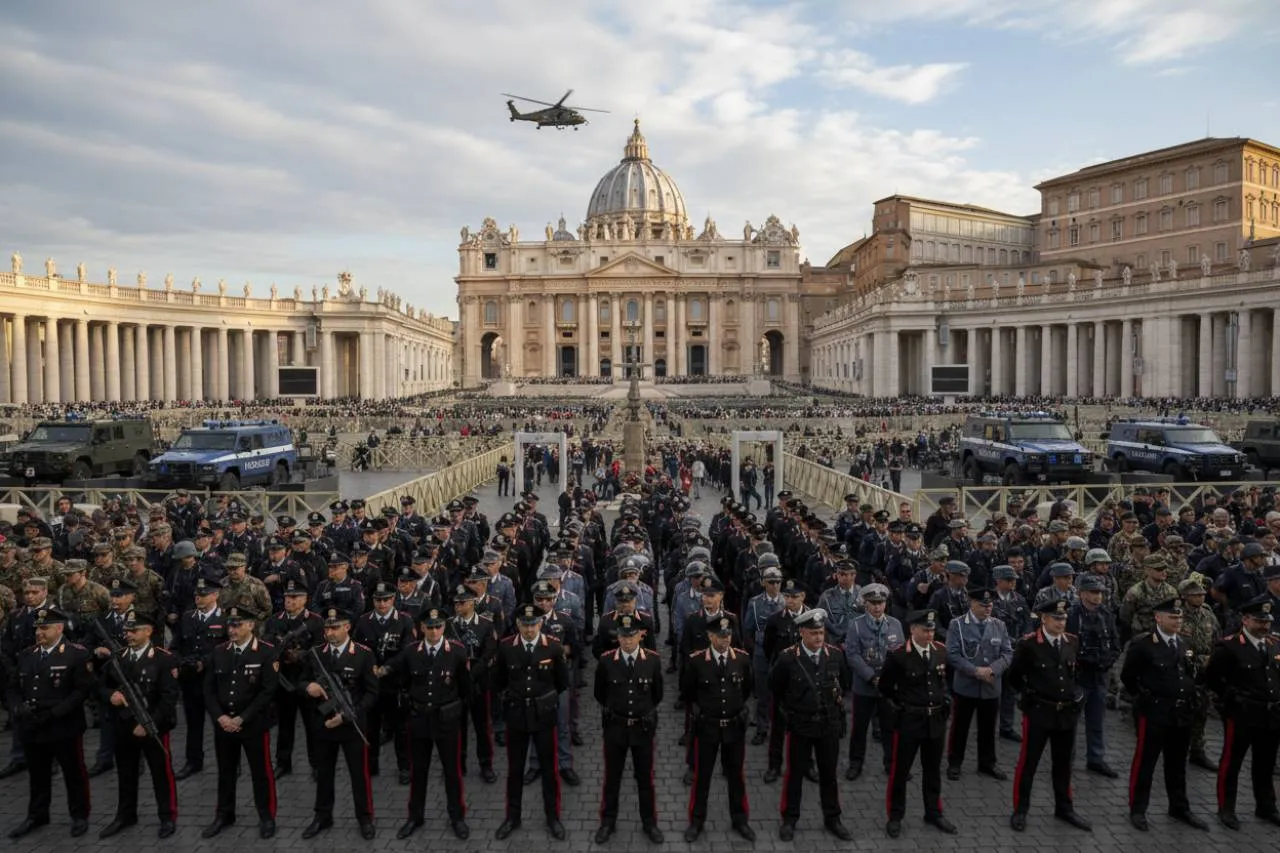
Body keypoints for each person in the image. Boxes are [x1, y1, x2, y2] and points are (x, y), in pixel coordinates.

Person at [378, 606, 471, 840]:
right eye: (429, 627)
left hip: (446, 721)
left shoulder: (457, 651)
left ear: (444, 627)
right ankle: (415, 816)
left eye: (438, 626)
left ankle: (457, 817)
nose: (434, 631)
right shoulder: (412, 651)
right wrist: (380, 669)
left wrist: (456, 713)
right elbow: (395, 667)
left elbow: (466, 688)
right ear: (421, 628)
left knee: (451, 772)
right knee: (418, 771)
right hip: (419, 719)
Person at [1120, 597, 1210, 832]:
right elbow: (1128, 677)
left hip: (1181, 713)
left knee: (1177, 763)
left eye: (1179, 617)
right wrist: (1144, 699)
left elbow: (1189, 673)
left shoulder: (1184, 642)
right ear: (1158, 618)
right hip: (1154, 712)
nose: (1178, 620)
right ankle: (1138, 809)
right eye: (1172, 617)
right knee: (1146, 762)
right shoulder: (1143, 644)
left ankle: (1179, 807)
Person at [4, 607, 94, 840]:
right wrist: (17, 707)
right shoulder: (27, 654)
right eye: (37, 628)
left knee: (73, 772)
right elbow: (13, 686)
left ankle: (79, 815)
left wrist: (54, 713)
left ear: (59, 628)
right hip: (32, 725)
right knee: (38, 774)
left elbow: (81, 691)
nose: (39, 633)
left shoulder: (76, 654)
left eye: (44, 628)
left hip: (63, 725)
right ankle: (37, 815)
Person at [1005, 599, 1092, 832]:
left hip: (1066, 713)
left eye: (1063, 618)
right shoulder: (1029, 645)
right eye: (1056, 618)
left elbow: (1074, 673)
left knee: (1063, 763)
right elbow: (1013, 677)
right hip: (1039, 712)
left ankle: (1064, 808)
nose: (1061, 623)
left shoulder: (1072, 641)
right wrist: (1028, 697)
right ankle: (1020, 809)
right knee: (1029, 763)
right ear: (1044, 619)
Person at [768, 608, 853, 841]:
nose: (818, 637)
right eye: (813, 633)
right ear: (802, 632)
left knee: (829, 774)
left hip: (828, 725)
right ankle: (790, 818)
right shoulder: (787, 658)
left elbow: (844, 684)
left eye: (821, 632)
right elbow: (775, 687)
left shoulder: (835, 655)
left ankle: (833, 818)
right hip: (801, 725)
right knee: (794, 775)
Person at [98, 610, 180, 840]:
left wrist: (149, 723)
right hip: (123, 725)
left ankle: (167, 816)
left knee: (161, 773)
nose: (129, 635)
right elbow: (99, 686)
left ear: (148, 631)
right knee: (126, 773)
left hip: (153, 726)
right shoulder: (119, 658)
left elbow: (169, 697)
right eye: (126, 631)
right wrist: (111, 695)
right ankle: (125, 815)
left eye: (134, 631)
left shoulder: (164, 659)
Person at [491, 603, 570, 840]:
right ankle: (512, 817)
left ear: (541, 623)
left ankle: (552, 817)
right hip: (516, 716)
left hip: (543, 716)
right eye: (524, 625)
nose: (529, 629)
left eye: (533, 624)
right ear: (517, 624)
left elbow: (562, 682)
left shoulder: (553, 647)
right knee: (515, 770)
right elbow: (498, 680)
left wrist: (543, 699)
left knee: (549, 770)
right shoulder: (506, 647)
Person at [1201, 596, 1280, 830]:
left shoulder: (1274, 644)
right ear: (1245, 620)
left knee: (1265, 763)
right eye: (1259, 621)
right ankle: (1226, 807)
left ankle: (1266, 806)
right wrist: (1229, 698)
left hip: (1270, 714)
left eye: (1267, 621)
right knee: (1231, 762)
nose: (1264, 626)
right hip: (1242, 714)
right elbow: (1212, 677)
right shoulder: (1230, 646)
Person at [201, 606, 279, 840]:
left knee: (261, 773)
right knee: (225, 772)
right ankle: (224, 814)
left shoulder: (266, 652)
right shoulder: (219, 652)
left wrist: (242, 718)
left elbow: (268, 691)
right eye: (230, 625)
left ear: (251, 625)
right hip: (224, 724)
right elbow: (208, 689)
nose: (232, 630)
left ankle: (266, 816)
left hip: (253, 724)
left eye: (237, 625)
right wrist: (220, 717)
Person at [877, 609, 956, 838]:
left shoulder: (940, 651)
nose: (930, 634)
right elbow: (885, 687)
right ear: (912, 629)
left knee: (933, 771)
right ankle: (895, 815)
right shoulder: (899, 656)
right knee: (900, 771)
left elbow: (945, 681)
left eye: (932, 630)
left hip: (935, 721)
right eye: (925, 630)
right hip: (909, 722)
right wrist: (901, 705)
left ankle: (933, 812)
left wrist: (944, 699)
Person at [301, 607, 378, 840]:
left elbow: (372, 693)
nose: (330, 633)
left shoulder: (363, 654)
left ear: (347, 627)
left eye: (335, 628)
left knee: (359, 774)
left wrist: (347, 715)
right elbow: (300, 680)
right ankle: (322, 815)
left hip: (352, 724)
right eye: (327, 628)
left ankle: (365, 817)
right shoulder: (315, 653)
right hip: (323, 724)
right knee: (323, 773)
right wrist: (308, 687)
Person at [680, 615, 756, 842]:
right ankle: (697, 820)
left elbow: (746, 690)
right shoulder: (697, 662)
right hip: (707, 728)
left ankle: (740, 820)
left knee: (736, 777)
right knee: (702, 777)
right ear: (710, 636)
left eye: (728, 635)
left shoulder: (741, 659)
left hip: (733, 728)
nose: (725, 639)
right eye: (721, 636)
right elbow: (688, 691)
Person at [592, 614, 664, 844]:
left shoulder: (652, 660)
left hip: (642, 729)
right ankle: (608, 821)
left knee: (645, 779)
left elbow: (657, 694)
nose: (627, 640)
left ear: (640, 635)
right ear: (618, 638)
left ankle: (649, 822)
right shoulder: (606, 661)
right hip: (616, 728)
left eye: (632, 636)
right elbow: (599, 693)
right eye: (623, 636)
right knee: (612, 778)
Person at [945, 584, 1013, 781]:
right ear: (972, 603)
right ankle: (955, 762)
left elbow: (1007, 653)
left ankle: (987, 762)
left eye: (990, 605)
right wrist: (975, 671)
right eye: (983, 605)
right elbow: (952, 654)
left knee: (988, 728)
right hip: (966, 686)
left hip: (991, 685)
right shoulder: (957, 625)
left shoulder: (999, 625)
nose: (987, 608)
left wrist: (993, 670)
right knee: (960, 727)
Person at [843, 582, 903, 779]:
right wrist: (871, 676)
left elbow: (900, 654)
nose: (877, 607)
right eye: (873, 603)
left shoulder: (895, 624)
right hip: (864, 686)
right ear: (866, 604)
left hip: (887, 687)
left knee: (889, 727)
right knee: (859, 729)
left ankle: (891, 764)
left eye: (881, 603)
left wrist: (888, 679)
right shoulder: (856, 625)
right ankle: (855, 764)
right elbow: (852, 655)